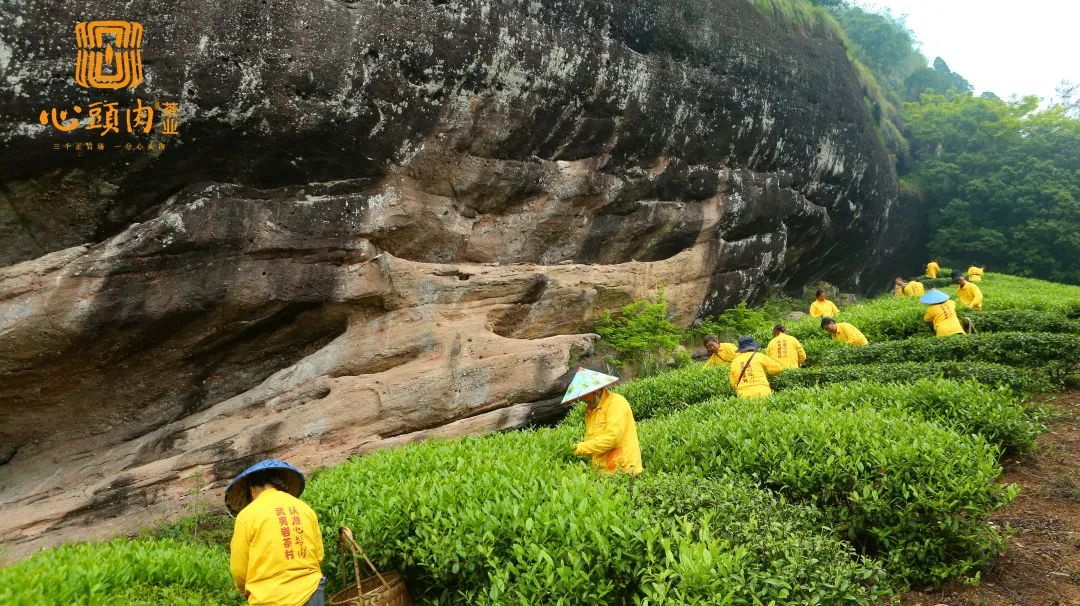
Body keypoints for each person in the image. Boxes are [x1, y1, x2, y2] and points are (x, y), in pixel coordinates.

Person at [226, 459, 326, 606]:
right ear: (277, 484)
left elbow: (240, 571)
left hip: (270, 598)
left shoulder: (247, 516)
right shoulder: (304, 508)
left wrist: (244, 590)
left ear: (252, 490)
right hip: (311, 590)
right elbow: (319, 556)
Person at [564, 368, 642, 475]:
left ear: (598, 390)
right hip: (602, 472)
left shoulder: (616, 403)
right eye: (581, 397)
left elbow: (613, 438)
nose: (583, 399)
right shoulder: (590, 411)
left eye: (586, 395)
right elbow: (592, 441)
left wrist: (579, 448)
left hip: (623, 471)